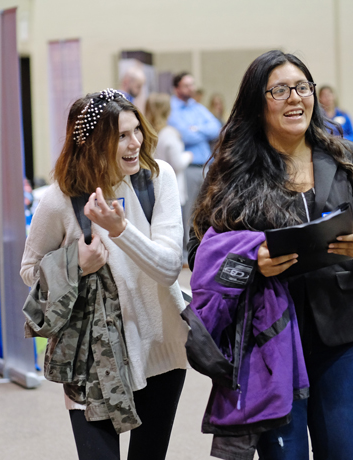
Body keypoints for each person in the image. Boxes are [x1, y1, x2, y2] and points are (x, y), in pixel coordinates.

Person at [188, 50, 353, 459]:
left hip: (338, 331)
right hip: (269, 340)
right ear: (258, 101)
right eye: (280, 90)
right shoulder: (234, 166)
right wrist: (252, 262)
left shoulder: (343, 155)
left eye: (303, 88)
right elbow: (200, 252)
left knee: (350, 451)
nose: (295, 98)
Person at [20, 89, 189, 460]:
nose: (134, 144)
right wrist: (74, 265)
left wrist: (119, 230)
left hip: (160, 349)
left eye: (136, 131)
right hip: (90, 362)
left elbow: (167, 268)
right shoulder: (59, 199)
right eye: (121, 136)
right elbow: (29, 270)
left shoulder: (159, 179)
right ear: (93, 143)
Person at [168, 72, 223, 255]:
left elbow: (215, 128)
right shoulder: (172, 108)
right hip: (188, 168)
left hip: (206, 167)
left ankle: (204, 245)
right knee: (188, 210)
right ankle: (186, 251)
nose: (191, 89)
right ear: (177, 88)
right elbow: (185, 135)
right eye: (186, 85)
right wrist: (199, 131)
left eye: (192, 85)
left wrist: (196, 129)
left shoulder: (197, 107)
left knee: (206, 208)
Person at [145, 92, 193, 208]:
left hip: (151, 190)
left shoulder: (144, 133)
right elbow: (177, 164)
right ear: (167, 111)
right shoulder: (169, 134)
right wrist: (188, 155)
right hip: (171, 191)